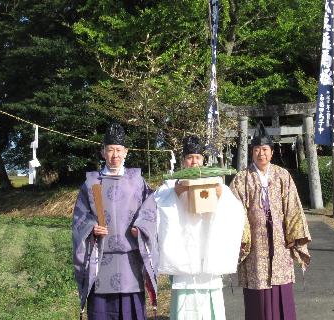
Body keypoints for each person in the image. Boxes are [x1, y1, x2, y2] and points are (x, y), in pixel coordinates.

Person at [72, 122, 158, 320]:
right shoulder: (92, 183)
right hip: (101, 259)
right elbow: (80, 217)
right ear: (103, 152)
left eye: (119, 150)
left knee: (132, 312)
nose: (115, 155)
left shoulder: (137, 181)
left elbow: (150, 211)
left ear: (126, 151)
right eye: (110, 150)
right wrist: (91, 228)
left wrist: (142, 227)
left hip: (131, 260)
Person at [156, 135, 245, 320]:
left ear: (203, 160)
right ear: (183, 161)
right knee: (184, 304)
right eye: (189, 157)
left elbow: (235, 212)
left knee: (211, 304)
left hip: (208, 259)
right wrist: (175, 194)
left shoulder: (216, 182)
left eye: (197, 157)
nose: (194, 161)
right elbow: (157, 210)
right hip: (184, 259)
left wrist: (220, 197)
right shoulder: (169, 185)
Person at [229, 122, 311, 320]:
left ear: (272, 152)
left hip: (281, 241)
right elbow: (234, 210)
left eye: (265, 149)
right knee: (257, 292)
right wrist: (242, 238)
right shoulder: (242, 179)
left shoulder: (283, 176)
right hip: (255, 246)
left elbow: (293, 206)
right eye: (257, 149)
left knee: (281, 288)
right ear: (252, 152)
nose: (261, 154)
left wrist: (294, 234)